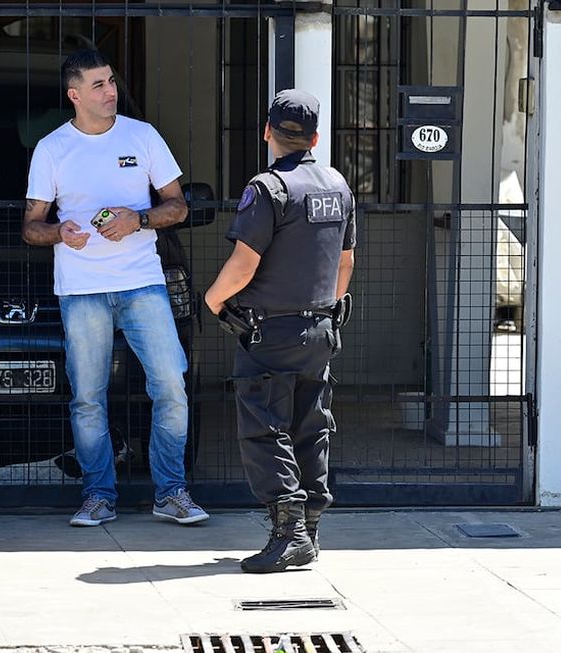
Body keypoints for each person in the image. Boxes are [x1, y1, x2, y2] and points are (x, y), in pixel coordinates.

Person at [22, 49, 208, 527]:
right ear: (75, 95)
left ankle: (171, 492)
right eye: (100, 85)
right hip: (81, 289)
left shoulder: (141, 136)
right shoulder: (52, 148)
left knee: (170, 384)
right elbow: (31, 226)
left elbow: (178, 207)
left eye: (111, 82)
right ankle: (98, 495)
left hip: (143, 283)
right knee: (88, 396)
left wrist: (138, 219)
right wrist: (59, 232)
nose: (111, 92)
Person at [205, 89, 355, 573]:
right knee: (311, 425)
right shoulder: (338, 185)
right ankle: (308, 530)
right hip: (321, 326)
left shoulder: (269, 188)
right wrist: (323, 307)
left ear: (267, 132)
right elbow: (346, 262)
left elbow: (244, 263)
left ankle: (289, 533)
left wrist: (213, 298)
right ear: (314, 137)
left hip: (270, 330)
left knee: (266, 430)